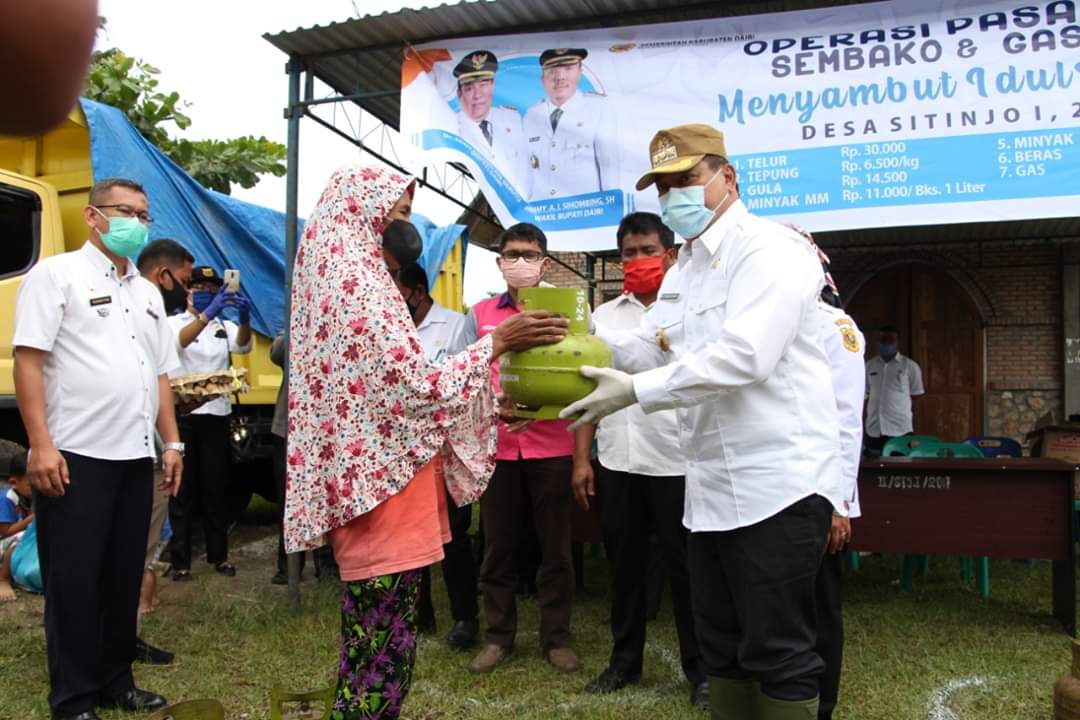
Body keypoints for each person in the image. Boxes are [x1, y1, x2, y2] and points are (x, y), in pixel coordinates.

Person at [560, 125, 846, 719]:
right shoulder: (685, 270)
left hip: (777, 487)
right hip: (710, 490)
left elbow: (745, 356)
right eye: (663, 187)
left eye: (685, 179)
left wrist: (636, 392)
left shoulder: (769, 250)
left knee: (779, 651)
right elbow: (650, 344)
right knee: (723, 649)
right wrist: (577, 342)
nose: (674, 197)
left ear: (726, 177)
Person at [284, 164, 568, 720]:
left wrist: (487, 404)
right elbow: (415, 387)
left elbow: (387, 394)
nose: (405, 227)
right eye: (398, 213)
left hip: (382, 488)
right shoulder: (358, 286)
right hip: (381, 496)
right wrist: (496, 345)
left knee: (376, 649)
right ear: (361, 213)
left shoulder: (346, 277)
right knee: (382, 658)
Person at [13, 177, 182, 719]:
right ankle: (74, 697)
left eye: (144, 215)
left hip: (134, 455)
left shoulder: (147, 292)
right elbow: (28, 361)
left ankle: (116, 680)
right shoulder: (56, 275)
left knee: (122, 575)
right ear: (93, 215)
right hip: (76, 455)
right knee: (75, 581)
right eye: (125, 211)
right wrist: (40, 445)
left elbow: (160, 374)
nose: (137, 223)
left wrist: (172, 442)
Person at [574, 212, 708, 708]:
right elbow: (588, 392)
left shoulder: (689, 313)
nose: (637, 260)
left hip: (676, 462)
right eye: (628, 253)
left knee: (687, 572)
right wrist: (582, 460)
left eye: (647, 251)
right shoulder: (604, 318)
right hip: (619, 462)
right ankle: (623, 662)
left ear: (669, 255)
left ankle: (702, 672)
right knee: (624, 570)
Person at [458, 222, 582, 675]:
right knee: (497, 547)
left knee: (557, 551)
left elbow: (582, 377)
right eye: (512, 255)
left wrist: (552, 419)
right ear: (499, 262)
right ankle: (498, 637)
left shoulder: (567, 312)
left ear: (545, 264)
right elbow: (459, 373)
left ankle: (557, 639)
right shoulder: (479, 315)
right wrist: (494, 404)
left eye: (529, 255)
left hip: (552, 446)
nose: (520, 263)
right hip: (498, 449)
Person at [395, 262, 481, 650]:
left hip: (445, 448)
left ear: (418, 291)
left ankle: (465, 617)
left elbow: (465, 384)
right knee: (411, 534)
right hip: (405, 449)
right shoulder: (391, 328)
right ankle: (420, 612)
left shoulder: (454, 325)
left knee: (455, 534)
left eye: (399, 294)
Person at [166, 266, 252, 581]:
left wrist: (244, 318)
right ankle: (180, 561)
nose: (204, 293)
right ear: (188, 291)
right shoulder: (173, 323)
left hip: (216, 414)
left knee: (215, 487)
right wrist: (206, 314)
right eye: (199, 288)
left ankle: (220, 556)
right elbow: (178, 344)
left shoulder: (222, 326)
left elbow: (243, 345)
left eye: (211, 289)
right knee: (182, 489)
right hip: (185, 416)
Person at [523, 48, 618, 199]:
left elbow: (610, 168)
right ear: (543, 78)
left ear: (580, 71)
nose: (560, 77)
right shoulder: (531, 116)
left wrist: (611, 208)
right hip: (544, 210)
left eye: (568, 69)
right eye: (552, 70)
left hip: (587, 209)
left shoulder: (599, 108)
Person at [453, 50, 529, 193]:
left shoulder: (512, 119)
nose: (477, 95)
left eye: (483, 84)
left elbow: (526, 167)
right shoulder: (453, 127)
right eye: (469, 88)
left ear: (492, 85)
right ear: (459, 93)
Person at [864, 325, 925, 455]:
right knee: (872, 464)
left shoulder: (910, 366)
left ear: (898, 342)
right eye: (883, 340)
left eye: (890, 340)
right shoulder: (869, 365)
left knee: (899, 463)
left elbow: (916, 396)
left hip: (900, 429)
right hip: (874, 428)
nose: (886, 344)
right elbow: (866, 394)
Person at [0, 446, 33, 602]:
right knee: (22, 537)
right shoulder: (7, 499)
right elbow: (7, 531)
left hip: (16, 542)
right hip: (4, 542)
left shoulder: (30, 496)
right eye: (31, 485)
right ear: (14, 482)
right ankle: (3, 579)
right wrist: (31, 519)